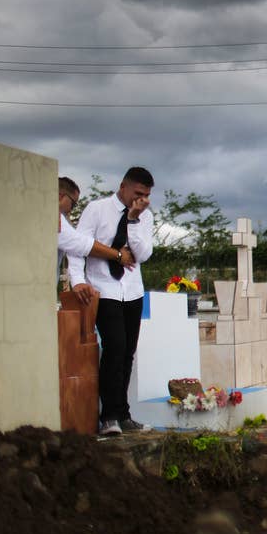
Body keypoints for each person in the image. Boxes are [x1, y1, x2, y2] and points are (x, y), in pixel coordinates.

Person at [68, 167, 155, 436]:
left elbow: (143, 254)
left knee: (127, 352)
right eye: (138, 193)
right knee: (114, 348)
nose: (142, 199)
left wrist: (133, 220)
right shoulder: (97, 209)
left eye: (147, 195)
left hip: (132, 290)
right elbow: (77, 246)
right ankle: (108, 417)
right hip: (104, 288)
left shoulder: (145, 216)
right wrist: (77, 280)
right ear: (124, 187)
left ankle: (123, 413)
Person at [57, 176, 135, 278]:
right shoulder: (52, 217)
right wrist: (119, 255)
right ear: (60, 196)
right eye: (73, 204)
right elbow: (81, 244)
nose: (71, 210)